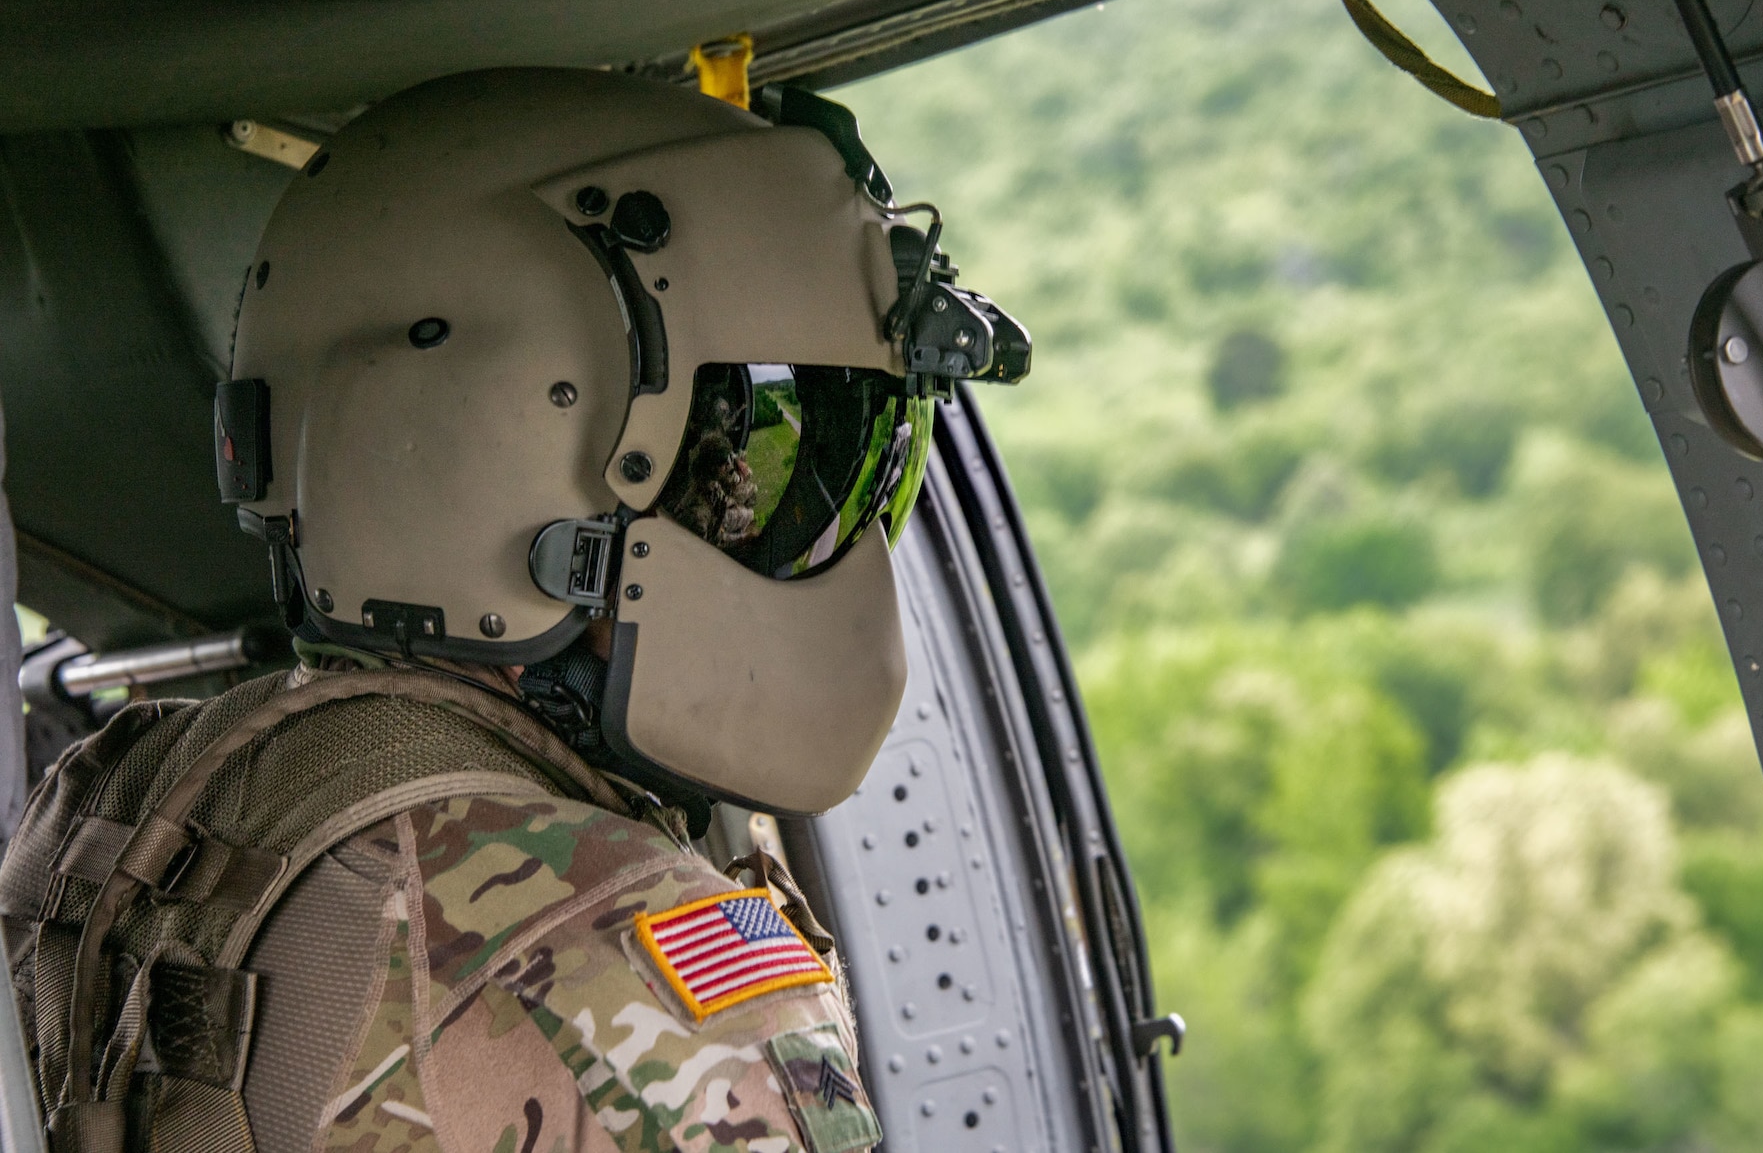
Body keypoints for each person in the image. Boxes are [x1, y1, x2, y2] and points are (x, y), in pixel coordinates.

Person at [0, 67, 1026, 1153]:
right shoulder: (625, 975)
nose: (810, 537)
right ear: (499, 444)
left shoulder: (118, 808)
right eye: (734, 466)